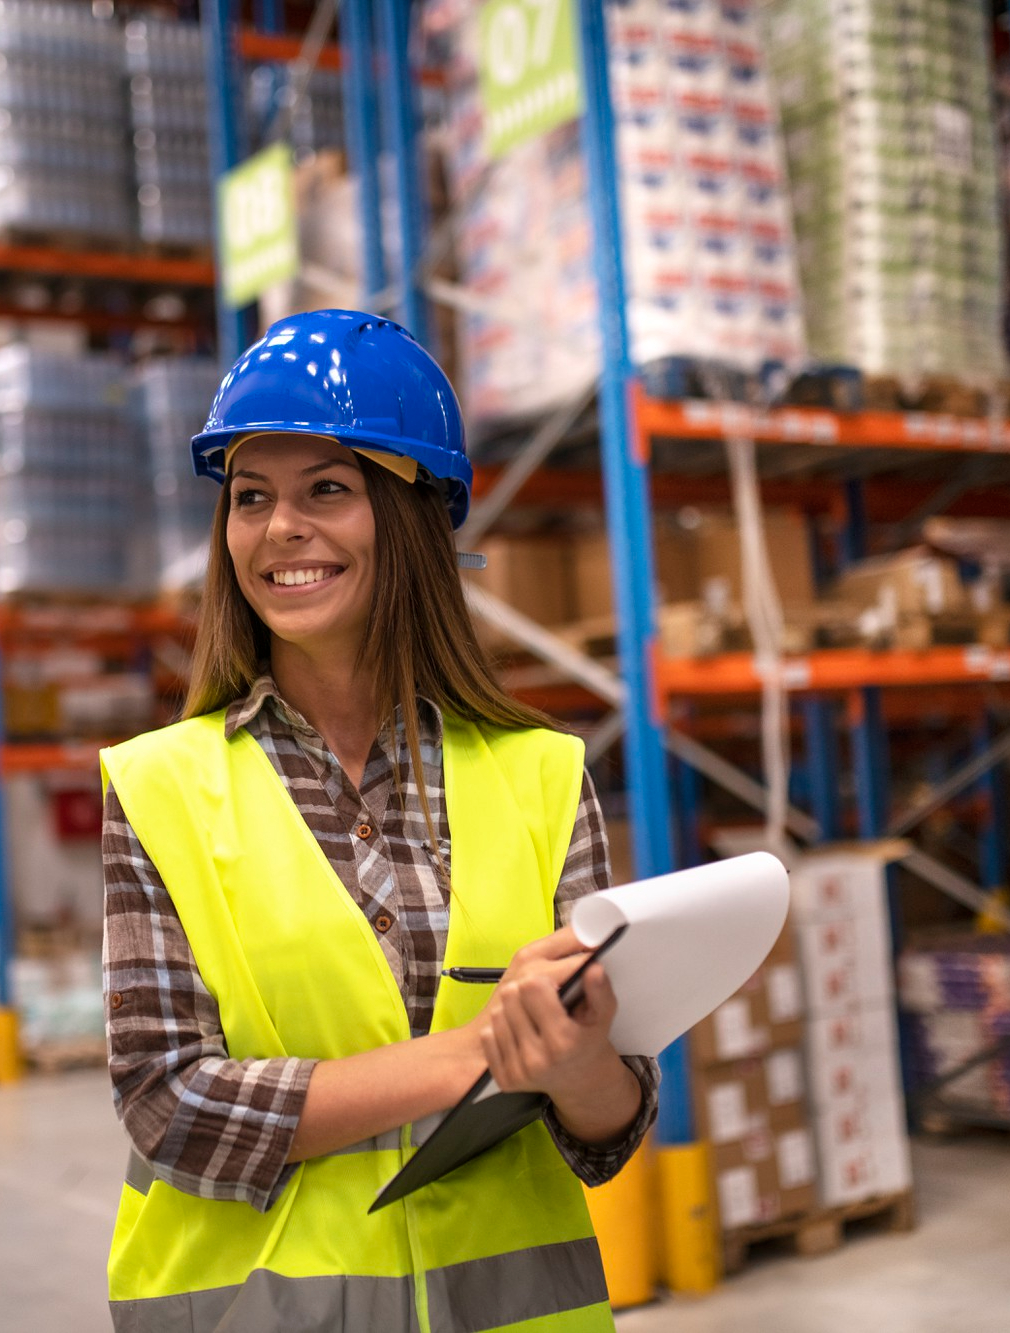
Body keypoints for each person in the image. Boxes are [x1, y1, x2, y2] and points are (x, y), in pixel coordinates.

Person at [100, 310, 658, 1332]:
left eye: (326, 489)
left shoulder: (542, 775)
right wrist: (477, 1053)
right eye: (250, 496)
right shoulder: (158, 785)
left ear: (411, 518)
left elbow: (608, 1129)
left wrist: (579, 1066)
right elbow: (168, 1103)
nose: (279, 527)